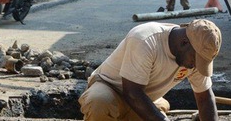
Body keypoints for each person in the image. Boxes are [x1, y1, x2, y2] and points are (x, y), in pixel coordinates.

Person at [79, 19, 222, 121]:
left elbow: (205, 99)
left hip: (142, 100)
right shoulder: (145, 39)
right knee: (99, 103)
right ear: (184, 42)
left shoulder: (194, 55)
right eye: (196, 60)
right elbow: (132, 93)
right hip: (111, 88)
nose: (195, 66)